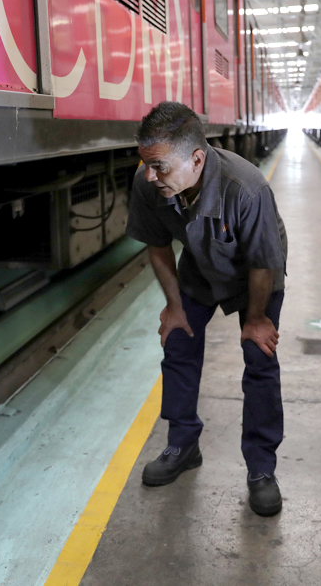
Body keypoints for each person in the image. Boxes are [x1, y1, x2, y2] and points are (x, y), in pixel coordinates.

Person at [126, 101, 288, 516]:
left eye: (159, 166)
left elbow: (263, 261)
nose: (150, 175)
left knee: (260, 355)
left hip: (255, 273)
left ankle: (261, 470)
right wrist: (174, 306)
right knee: (178, 341)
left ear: (197, 160)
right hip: (198, 267)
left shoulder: (248, 190)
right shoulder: (150, 182)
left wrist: (255, 320)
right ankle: (183, 444)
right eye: (146, 164)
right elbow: (158, 247)